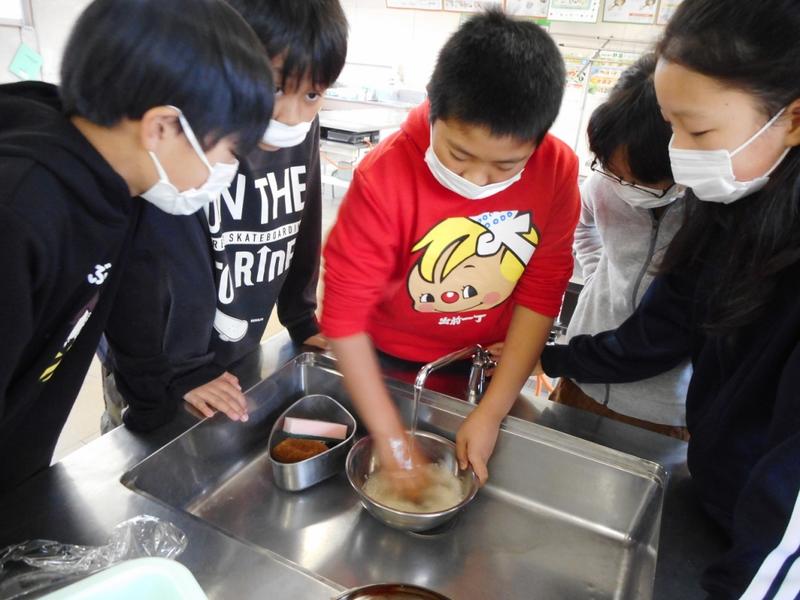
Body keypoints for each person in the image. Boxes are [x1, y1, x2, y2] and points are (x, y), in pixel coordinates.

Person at [463, 0, 800, 596]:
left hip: (746, 519)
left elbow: (783, 510)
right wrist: (561, 342)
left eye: (697, 131)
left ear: (792, 118)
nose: (681, 156)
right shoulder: (731, 203)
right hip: (713, 485)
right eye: (672, 126)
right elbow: (666, 318)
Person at [0, 0, 273, 492]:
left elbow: (129, 298)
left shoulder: (120, 185)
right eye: (230, 151)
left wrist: (155, 403)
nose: (229, 171)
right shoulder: (21, 211)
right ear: (161, 127)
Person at [321, 10, 579, 488]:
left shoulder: (556, 170)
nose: (476, 179)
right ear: (434, 109)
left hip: (489, 370)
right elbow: (343, 315)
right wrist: (391, 439)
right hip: (388, 369)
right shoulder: (385, 176)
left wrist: (492, 411)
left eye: (506, 166)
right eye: (459, 154)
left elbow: (543, 290)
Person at [100, 0, 348, 432]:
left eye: (312, 94)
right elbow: (147, 268)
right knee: (141, 445)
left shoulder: (300, 129)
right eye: (275, 88)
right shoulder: (179, 134)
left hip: (232, 347)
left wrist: (300, 314)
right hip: (159, 361)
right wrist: (180, 368)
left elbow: (302, 218)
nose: (290, 117)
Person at [551, 53, 691, 441]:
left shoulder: (708, 214)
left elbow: (662, 338)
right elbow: (582, 226)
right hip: (580, 375)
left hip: (661, 406)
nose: (622, 186)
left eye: (639, 181)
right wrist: (601, 271)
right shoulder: (605, 182)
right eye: (612, 171)